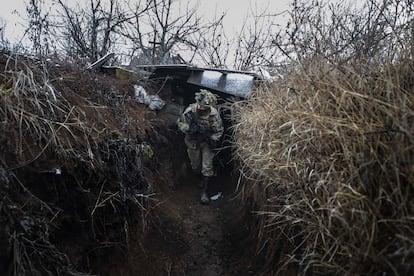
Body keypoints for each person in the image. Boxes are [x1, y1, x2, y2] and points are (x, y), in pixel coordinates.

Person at [177, 89, 224, 204]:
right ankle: (199, 179)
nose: (200, 107)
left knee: (207, 167)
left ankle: (204, 192)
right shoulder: (190, 111)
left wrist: (211, 139)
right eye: (199, 104)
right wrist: (189, 129)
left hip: (207, 143)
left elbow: (219, 131)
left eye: (203, 106)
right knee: (195, 166)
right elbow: (180, 123)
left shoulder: (214, 114)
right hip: (193, 142)